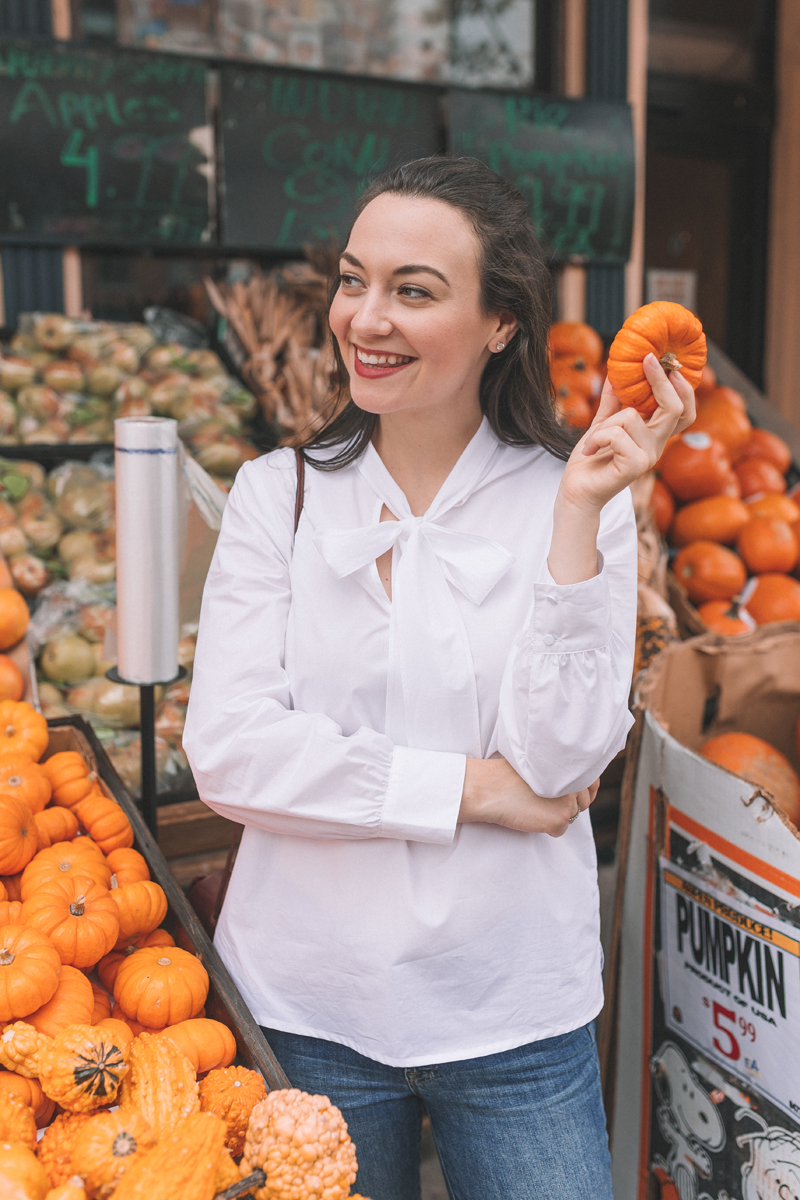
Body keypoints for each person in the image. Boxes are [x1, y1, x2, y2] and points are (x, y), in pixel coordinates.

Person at [183, 156, 695, 1200]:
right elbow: (230, 754)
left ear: (500, 322)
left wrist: (572, 515)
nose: (364, 318)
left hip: (511, 1011)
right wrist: (474, 790)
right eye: (351, 278)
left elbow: (556, 764)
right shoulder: (273, 496)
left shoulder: (582, 496)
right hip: (303, 1006)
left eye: (412, 291)